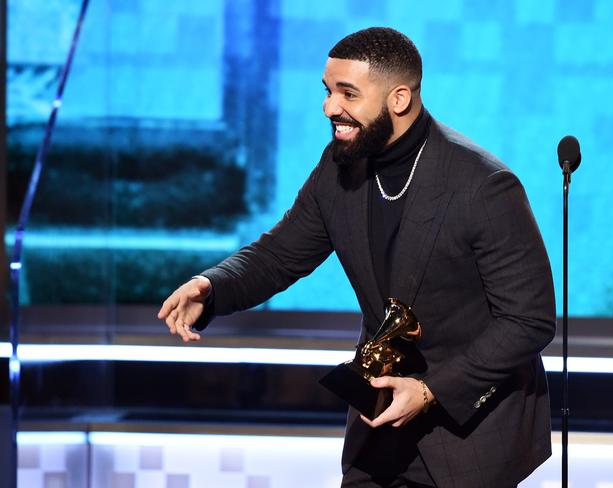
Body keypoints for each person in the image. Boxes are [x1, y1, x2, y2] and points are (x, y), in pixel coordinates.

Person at [158, 27, 556, 488]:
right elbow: (280, 254)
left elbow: (528, 320)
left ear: (399, 99)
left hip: (466, 433)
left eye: (348, 93)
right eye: (328, 91)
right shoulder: (340, 165)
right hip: (378, 430)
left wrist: (431, 392)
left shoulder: (482, 186)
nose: (330, 107)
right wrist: (213, 287)